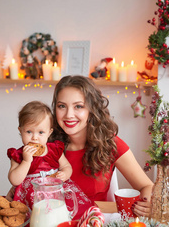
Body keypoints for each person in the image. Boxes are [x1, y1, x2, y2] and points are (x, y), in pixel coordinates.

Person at [49, 75, 154, 217]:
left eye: (78, 106)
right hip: (52, 224)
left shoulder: (110, 144)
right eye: (62, 106)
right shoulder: (46, 145)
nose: (69, 114)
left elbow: (146, 186)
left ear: (91, 110)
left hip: (95, 226)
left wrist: (148, 203)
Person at [7, 101, 72, 209]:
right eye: (29, 132)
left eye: (41, 132)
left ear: (49, 132)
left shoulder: (54, 150)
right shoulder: (18, 155)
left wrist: (65, 174)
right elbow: (14, 180)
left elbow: (67, 166)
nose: (34, 137)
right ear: (20, 131)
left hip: (54, 191)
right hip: (31, 197)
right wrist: (26, 161)